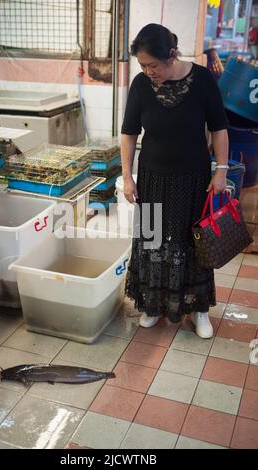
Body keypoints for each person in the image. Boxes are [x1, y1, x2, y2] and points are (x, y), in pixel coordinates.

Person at [121, 23, 229, 338]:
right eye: (142, 65)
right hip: (152, 178)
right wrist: (127, 176)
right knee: (152, 242)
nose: (148, 71)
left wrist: (220, 170)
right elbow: (129, 133)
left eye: (152, 65)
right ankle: (153, 305)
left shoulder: (203, 81)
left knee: (192, 244)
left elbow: (220, 128)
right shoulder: (141, 86)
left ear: (172, 55)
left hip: (193, 179)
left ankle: (197, 309)